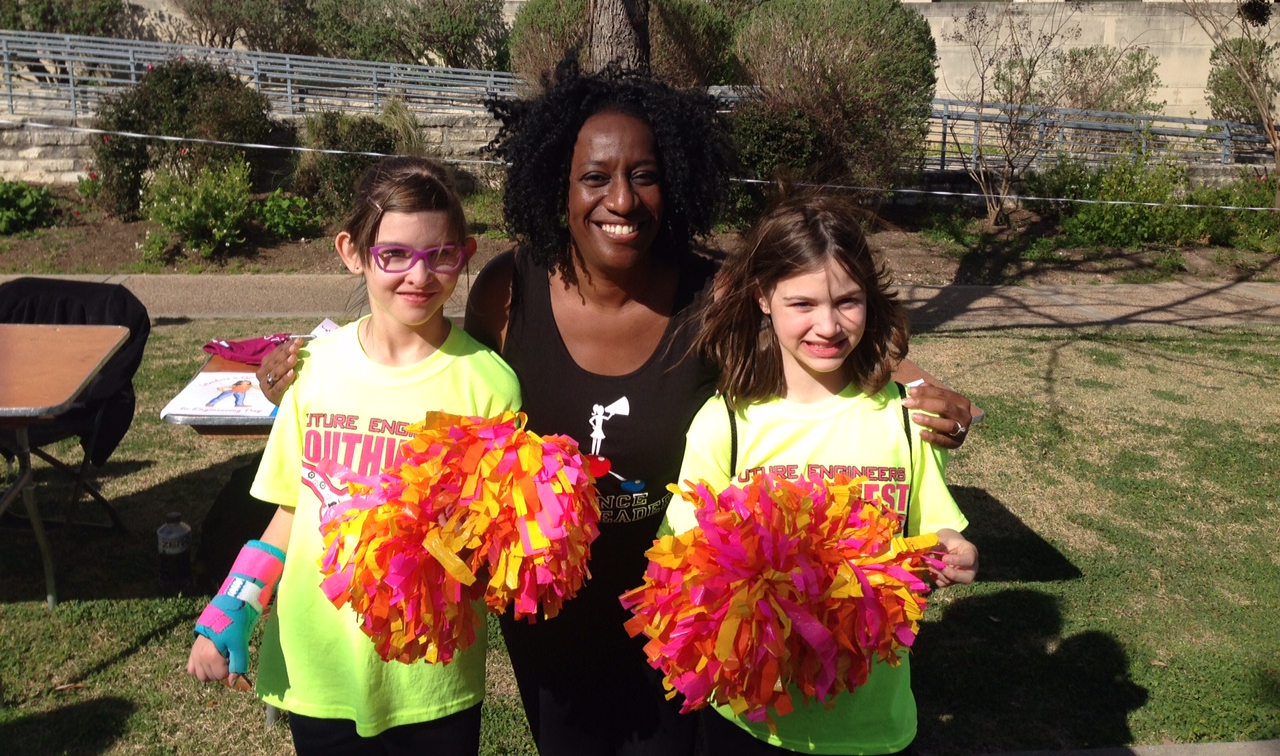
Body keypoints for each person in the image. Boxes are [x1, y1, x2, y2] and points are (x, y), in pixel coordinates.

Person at [256, 62, 978, 756]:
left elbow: (828, 335)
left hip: (681, 604)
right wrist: (295, 367)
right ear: (557, 186)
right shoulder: (507, 292)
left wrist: (924, 389)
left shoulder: (716, 293)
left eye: (644, 176)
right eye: (595, 177)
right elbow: (434, 376)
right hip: (553, 615)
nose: (622, 200)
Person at [187, 156, 520, 756]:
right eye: (394, 254)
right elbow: (292, 512)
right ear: (353, 251)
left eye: (441, 255)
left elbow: (493, 539)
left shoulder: (490, 385)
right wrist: (231, 608)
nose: (419, 276)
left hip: (430, 673)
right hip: (321, 667)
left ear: (465, 254)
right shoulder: (310, 372)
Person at [664, 187, 978, 756]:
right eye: (802, 304)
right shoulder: (725, 424)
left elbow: (935, 528)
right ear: (764, 299)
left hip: (872, 724)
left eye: (847, 302)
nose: (828, 326)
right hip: (754, 725)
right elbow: (686, 562)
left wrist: (954, 549)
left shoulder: (906, 418)